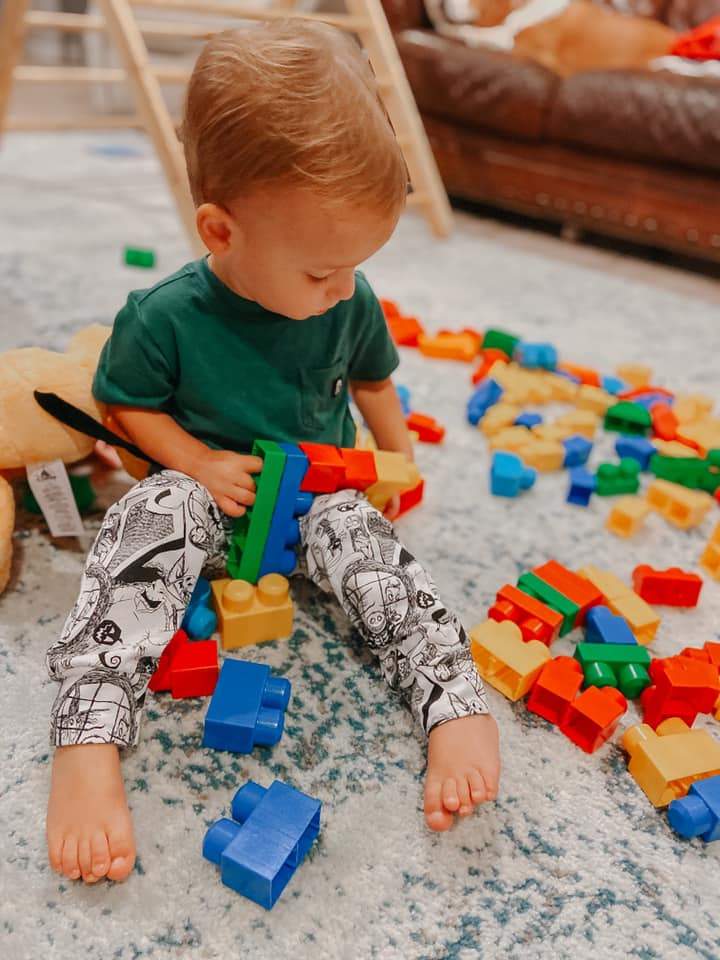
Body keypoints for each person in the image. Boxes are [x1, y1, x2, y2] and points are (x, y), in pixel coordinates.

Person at [45, 20, 500, 885]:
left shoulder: (348, 297)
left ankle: (449, 695)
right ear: (221, 232)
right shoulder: (165, 315)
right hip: (208, 501)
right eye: (321, 272)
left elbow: (373, 382)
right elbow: (124, 405)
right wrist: (194, 461)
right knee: (146, 516)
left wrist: (399, 458)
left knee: (374, 550)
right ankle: (89, 731)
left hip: (316, 500)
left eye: (354, 268)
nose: (343, 289)